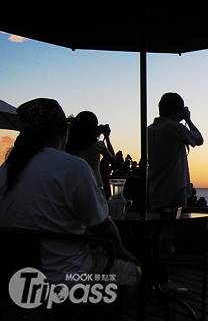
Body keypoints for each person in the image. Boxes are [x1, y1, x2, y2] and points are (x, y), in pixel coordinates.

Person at [0, 98, 141, 318]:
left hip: (12, 279)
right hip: (62, 279)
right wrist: (122, 251)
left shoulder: (5, 169)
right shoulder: (72, 167)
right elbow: (102, 225)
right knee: (132, 272)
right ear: (62, 131)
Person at [148, 92, 203, 295]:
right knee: (167, 237)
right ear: (178, 110)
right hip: (173, 191)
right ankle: (163, 281)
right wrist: (188, 119)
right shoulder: (174, 128)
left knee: (156, 235)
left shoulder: (150, 130)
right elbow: (199, 139)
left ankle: (154, 278)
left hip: (154, 190)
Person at [66, 111, 115, 197]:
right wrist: (106, 137)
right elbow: (113, 158)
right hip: (95, 185)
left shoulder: (69, 145)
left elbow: (83, 137)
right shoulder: (98, 146)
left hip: (74, 186)